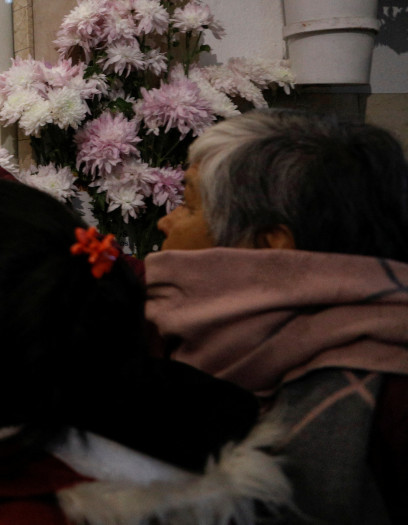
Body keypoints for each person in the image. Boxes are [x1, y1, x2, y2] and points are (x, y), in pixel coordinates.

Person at [0, 54, 289, 524]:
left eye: (190, 206)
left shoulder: (12, 496)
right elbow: (10, 237)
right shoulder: (141, 368)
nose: (165, 219)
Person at [146, 109, 408, 524]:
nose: (165, 222)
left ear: (270, 248)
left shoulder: (391, 396)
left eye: (189, 205)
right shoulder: (168, 330)